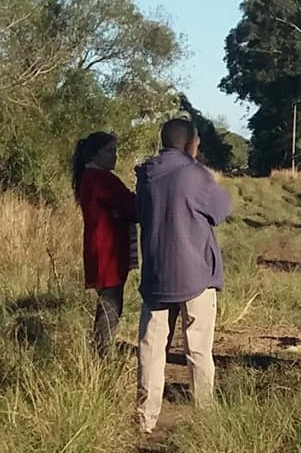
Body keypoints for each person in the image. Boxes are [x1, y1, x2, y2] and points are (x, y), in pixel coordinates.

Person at [135, 118, 231, 434]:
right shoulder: (195, 175)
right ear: (190, 143)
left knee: (151, 346)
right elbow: (221, 210)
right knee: (198, 348)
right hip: (195, 275)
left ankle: (145, 419)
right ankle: (204, 417)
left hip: (157, 275)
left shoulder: (145, 175)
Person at [72, 131, 137, 357]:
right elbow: (130, 206)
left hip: (101, 248)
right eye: (109, 151)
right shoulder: (100, 179)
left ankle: (102, 350)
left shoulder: (90, 176)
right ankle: (103, 353)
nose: (114, 156)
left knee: (110, 301)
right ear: (96, 153)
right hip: (107, 250)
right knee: (111, 304)